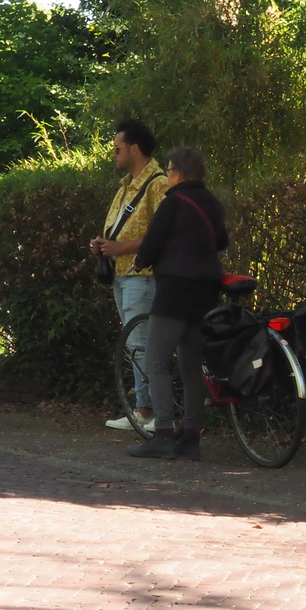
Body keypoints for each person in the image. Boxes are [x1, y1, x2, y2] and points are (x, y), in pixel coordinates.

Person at [127, 147, 228, 460]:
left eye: (169, 170)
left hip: (175, 292)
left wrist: (140, 261)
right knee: (190, 365)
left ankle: (164, 433)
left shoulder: (172, 203)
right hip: (207, 291)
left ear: (180, 173)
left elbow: (153, 241)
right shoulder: (211, 201)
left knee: (156, 360)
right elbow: (221, 241)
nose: (167, 175)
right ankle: (191, 437)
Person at [90, 119, 169, 431]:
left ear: (135, 149)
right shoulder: (127, 186)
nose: (114, 155)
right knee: (134, 343)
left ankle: (150, 411)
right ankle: (142, 408)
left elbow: (161, 234)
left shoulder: (158, 184)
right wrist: (104, 245)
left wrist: (119, 246)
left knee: (141, 343)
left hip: (144, 274)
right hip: (124, 273)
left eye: (118, 149)